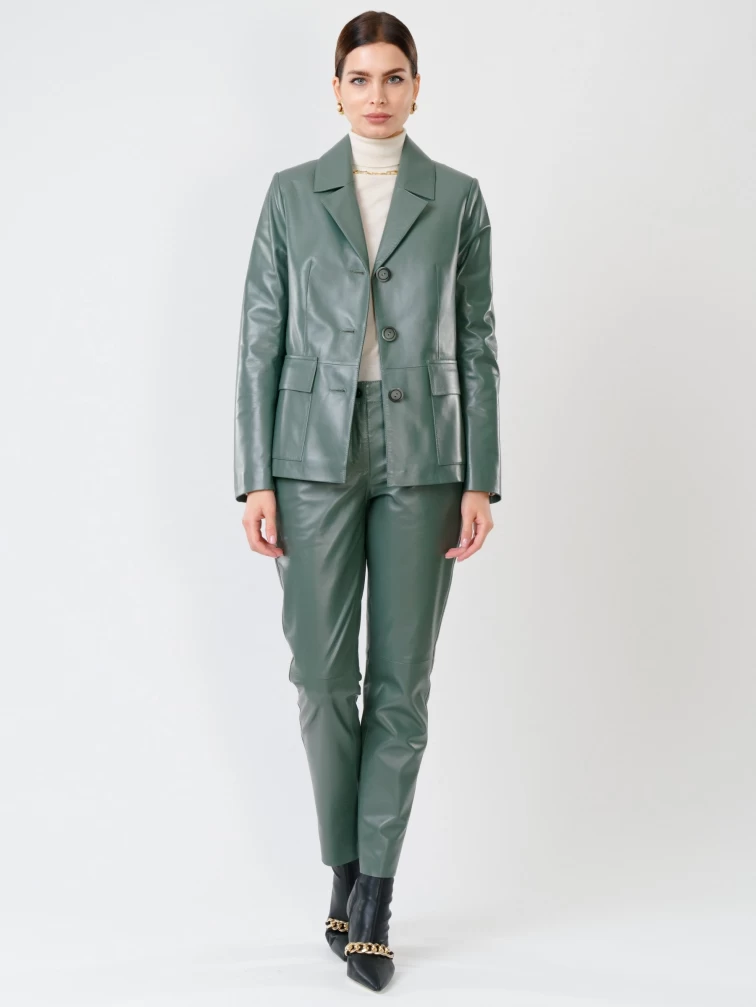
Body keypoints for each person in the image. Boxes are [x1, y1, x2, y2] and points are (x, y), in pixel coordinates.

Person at [234, 11, 500, 992]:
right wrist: (254, 475)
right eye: (360, 77)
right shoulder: (290, 196)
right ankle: (343, 869)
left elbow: (477, 340)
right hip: (310, 455)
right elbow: (259, 338)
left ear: (417, 88)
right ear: (336, 90)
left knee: (400, 684)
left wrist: (481, 475)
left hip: (424, 455)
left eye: (393, 77)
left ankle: (375, 900)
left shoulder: (457, 197)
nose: (377, 94)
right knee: (318, 675)